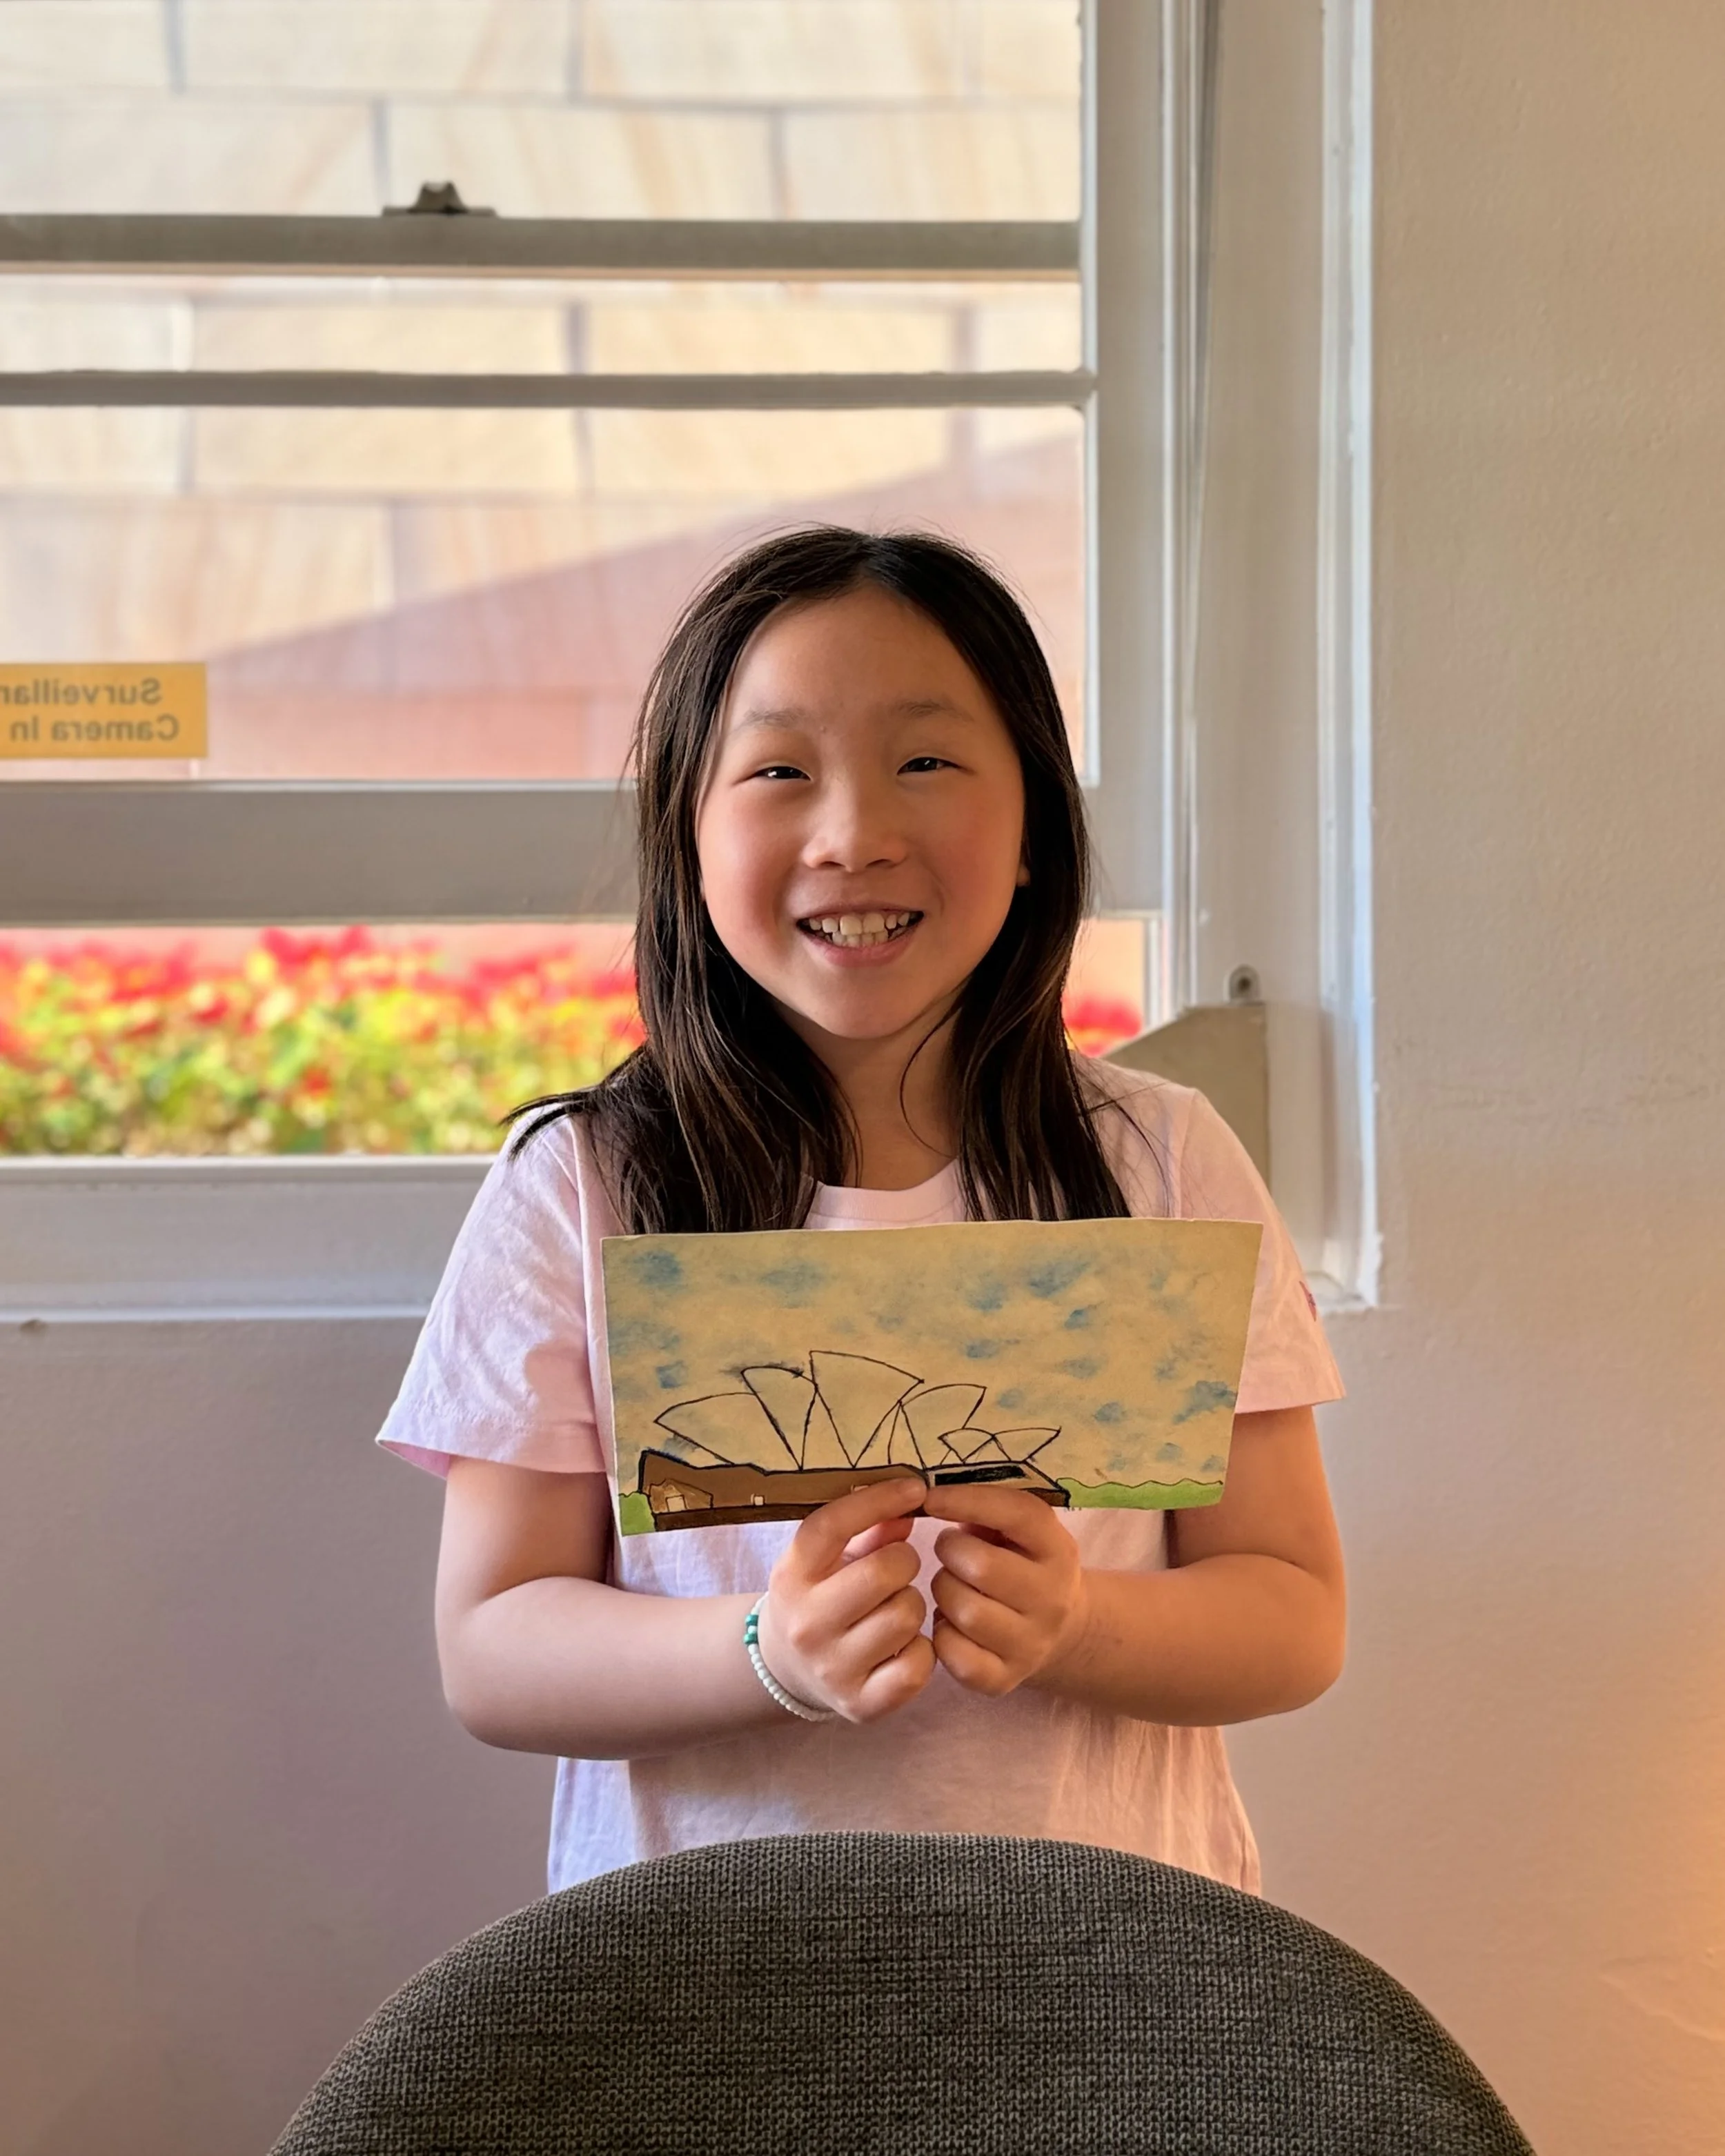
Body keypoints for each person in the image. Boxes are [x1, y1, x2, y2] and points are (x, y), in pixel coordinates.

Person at [377, 526, 1346, 1896]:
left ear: (1028, 831)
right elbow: (493, 1642)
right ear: (689, 834)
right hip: (702, 1993)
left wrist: (1074, 1620)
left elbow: (1290, 1611)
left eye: (927, 761)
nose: (852, 835)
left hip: (1112, 1986)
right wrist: (767, 1649)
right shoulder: (586, 1184)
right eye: (777, 771)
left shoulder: (1157, 1159)